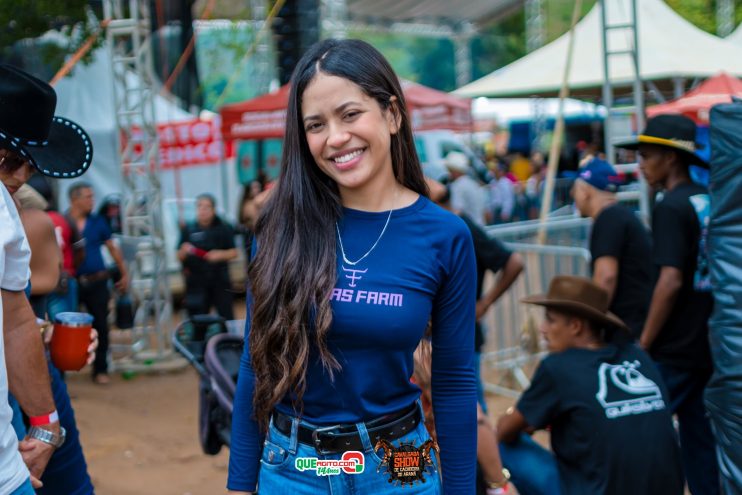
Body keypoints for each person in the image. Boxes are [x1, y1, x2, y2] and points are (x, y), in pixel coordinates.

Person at [227, 39, 477, 495]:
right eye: (316, 125)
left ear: (393, 114)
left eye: (350, 114)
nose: (336, 138)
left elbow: (456, 380)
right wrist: (240, 484)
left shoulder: (445, 236)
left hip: (400, 463)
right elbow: (254, 361)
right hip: (296, 469)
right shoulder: (281, 227)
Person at [497, 276, 684, 495]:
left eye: (550, 320)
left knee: (495, 444)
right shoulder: (637, 356)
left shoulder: (558, 367)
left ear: (576, 326)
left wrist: (519, 417)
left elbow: (505, 431)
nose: (542, 329)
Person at [0, 63, 94, 493]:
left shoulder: (17, 217)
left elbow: (14, 311)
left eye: (30, 165)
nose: (21, 177)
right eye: (14, 161)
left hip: (26, 384)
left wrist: (45, 425)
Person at [616, 114, 720, 494]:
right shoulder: (705, 198)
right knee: (700, 440)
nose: (640, 164)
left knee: (640, 433)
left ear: (672, 158)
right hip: (706, 343)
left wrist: (645, 341)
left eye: (646, 155)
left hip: (674, 348)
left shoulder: (669, 206)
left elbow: (671, 280)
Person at [571, 158, 653, 340]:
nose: (572, 194)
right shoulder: (622, 216)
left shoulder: (608, 219)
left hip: (627, 332)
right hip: (636, 326)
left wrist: (589, 328)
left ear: (585, 191)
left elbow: (606, 277)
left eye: (574, 189)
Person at [67, 182, 128, 385]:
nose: (92, 201)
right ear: (74, 199)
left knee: (101, 324)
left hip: (98, 280)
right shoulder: (63, 221)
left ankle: (100, 369)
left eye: (92, 196)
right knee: (69, 327)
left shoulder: (99, 221)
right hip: (72, 283)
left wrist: (123, 273)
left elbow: (112, 248)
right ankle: (65, 367)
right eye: (87, 197)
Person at [177, 193, 238, 320]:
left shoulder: (224, 227)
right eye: (200, 206)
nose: (203, 210)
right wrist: (183, 252)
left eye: (207, 207)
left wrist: (219, 255)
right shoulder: (188, 229)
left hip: (220, 281)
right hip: (196, 283)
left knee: (226, 318)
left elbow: (234, 252)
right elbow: (178, 255)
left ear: (213, 209)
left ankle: (227, 339)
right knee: (198, 320)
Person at [445, 150, 488, 226]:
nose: (449, 173)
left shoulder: (457, 186)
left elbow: (457, 211)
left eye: (450, 170)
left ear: (455, 171)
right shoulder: (473, 183)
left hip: (468, 230)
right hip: (480, 229)